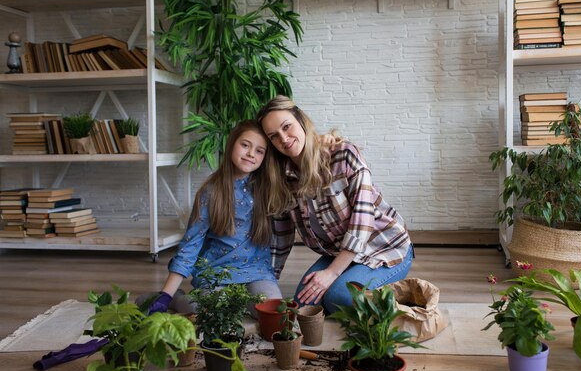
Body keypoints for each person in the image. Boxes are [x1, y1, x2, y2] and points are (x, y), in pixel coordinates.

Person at [257, 95, 414, 314]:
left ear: (301, 120)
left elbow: (363, 221)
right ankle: (354, 289)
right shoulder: (282, 179)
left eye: (287, 127)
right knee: (302, 306)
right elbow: (280, 240)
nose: (283, 138)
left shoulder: (343, 155)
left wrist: (330, 274)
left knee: (336, 297)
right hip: (339, 253)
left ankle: (388, 298)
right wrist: (268, 284)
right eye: (274, 136)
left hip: (385, 247)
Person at [140, 120, 282, 315]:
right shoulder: (211, 192)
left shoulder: (268, 189)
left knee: (273, 312)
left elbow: (298, 161)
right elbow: (190, 244)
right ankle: (175, 298)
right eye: (245, 145)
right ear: (231, 144)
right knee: (205, 312)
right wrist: (166, 294)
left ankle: (236, 303)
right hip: (216, 272)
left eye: (259, 151)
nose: (251, 154)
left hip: (256, 272)